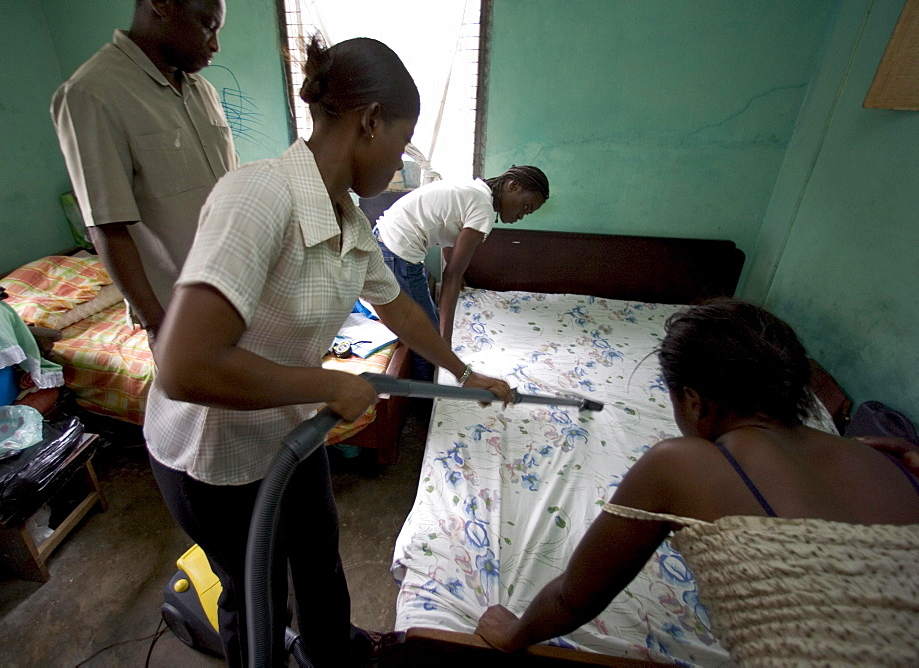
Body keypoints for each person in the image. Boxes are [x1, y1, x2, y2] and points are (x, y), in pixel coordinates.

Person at [144, 35, 514, 667]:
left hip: (289, 432)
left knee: (319, 559)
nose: (399, 164)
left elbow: (399, 308)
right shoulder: (258, 197)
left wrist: (462, 370)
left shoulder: (348, 221)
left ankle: (331, 655)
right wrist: (326, 384)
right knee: (256, 595)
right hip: (214, 455)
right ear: (369, 122)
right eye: (400, 143)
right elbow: (186, 365)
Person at [475, 299, 919, 665]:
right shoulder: (887, 459)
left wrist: (512, 634)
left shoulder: (680, 463)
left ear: (693, 402)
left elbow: (573, 599)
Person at [51, 0, 238, 346]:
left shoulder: (202, 92)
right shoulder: (92, 94)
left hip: (238, 294)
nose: (215, 45)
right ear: (162, 4)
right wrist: (159, 327)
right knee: (200, 401)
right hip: (180, 313)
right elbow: (108, 227)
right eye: (207, 26)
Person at [373, 166, 549, 377]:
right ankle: (424, 400)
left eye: (528, 212)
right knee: (429, 337)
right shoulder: (483, 209)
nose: (522, 215)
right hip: (398, 252)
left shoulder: (474, 190)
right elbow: (451, 276)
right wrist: (445, 340)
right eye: (526, 207)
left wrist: (458, 273)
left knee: (429, 326)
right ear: (513, 186)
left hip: (385, 240)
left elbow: (450, 237)